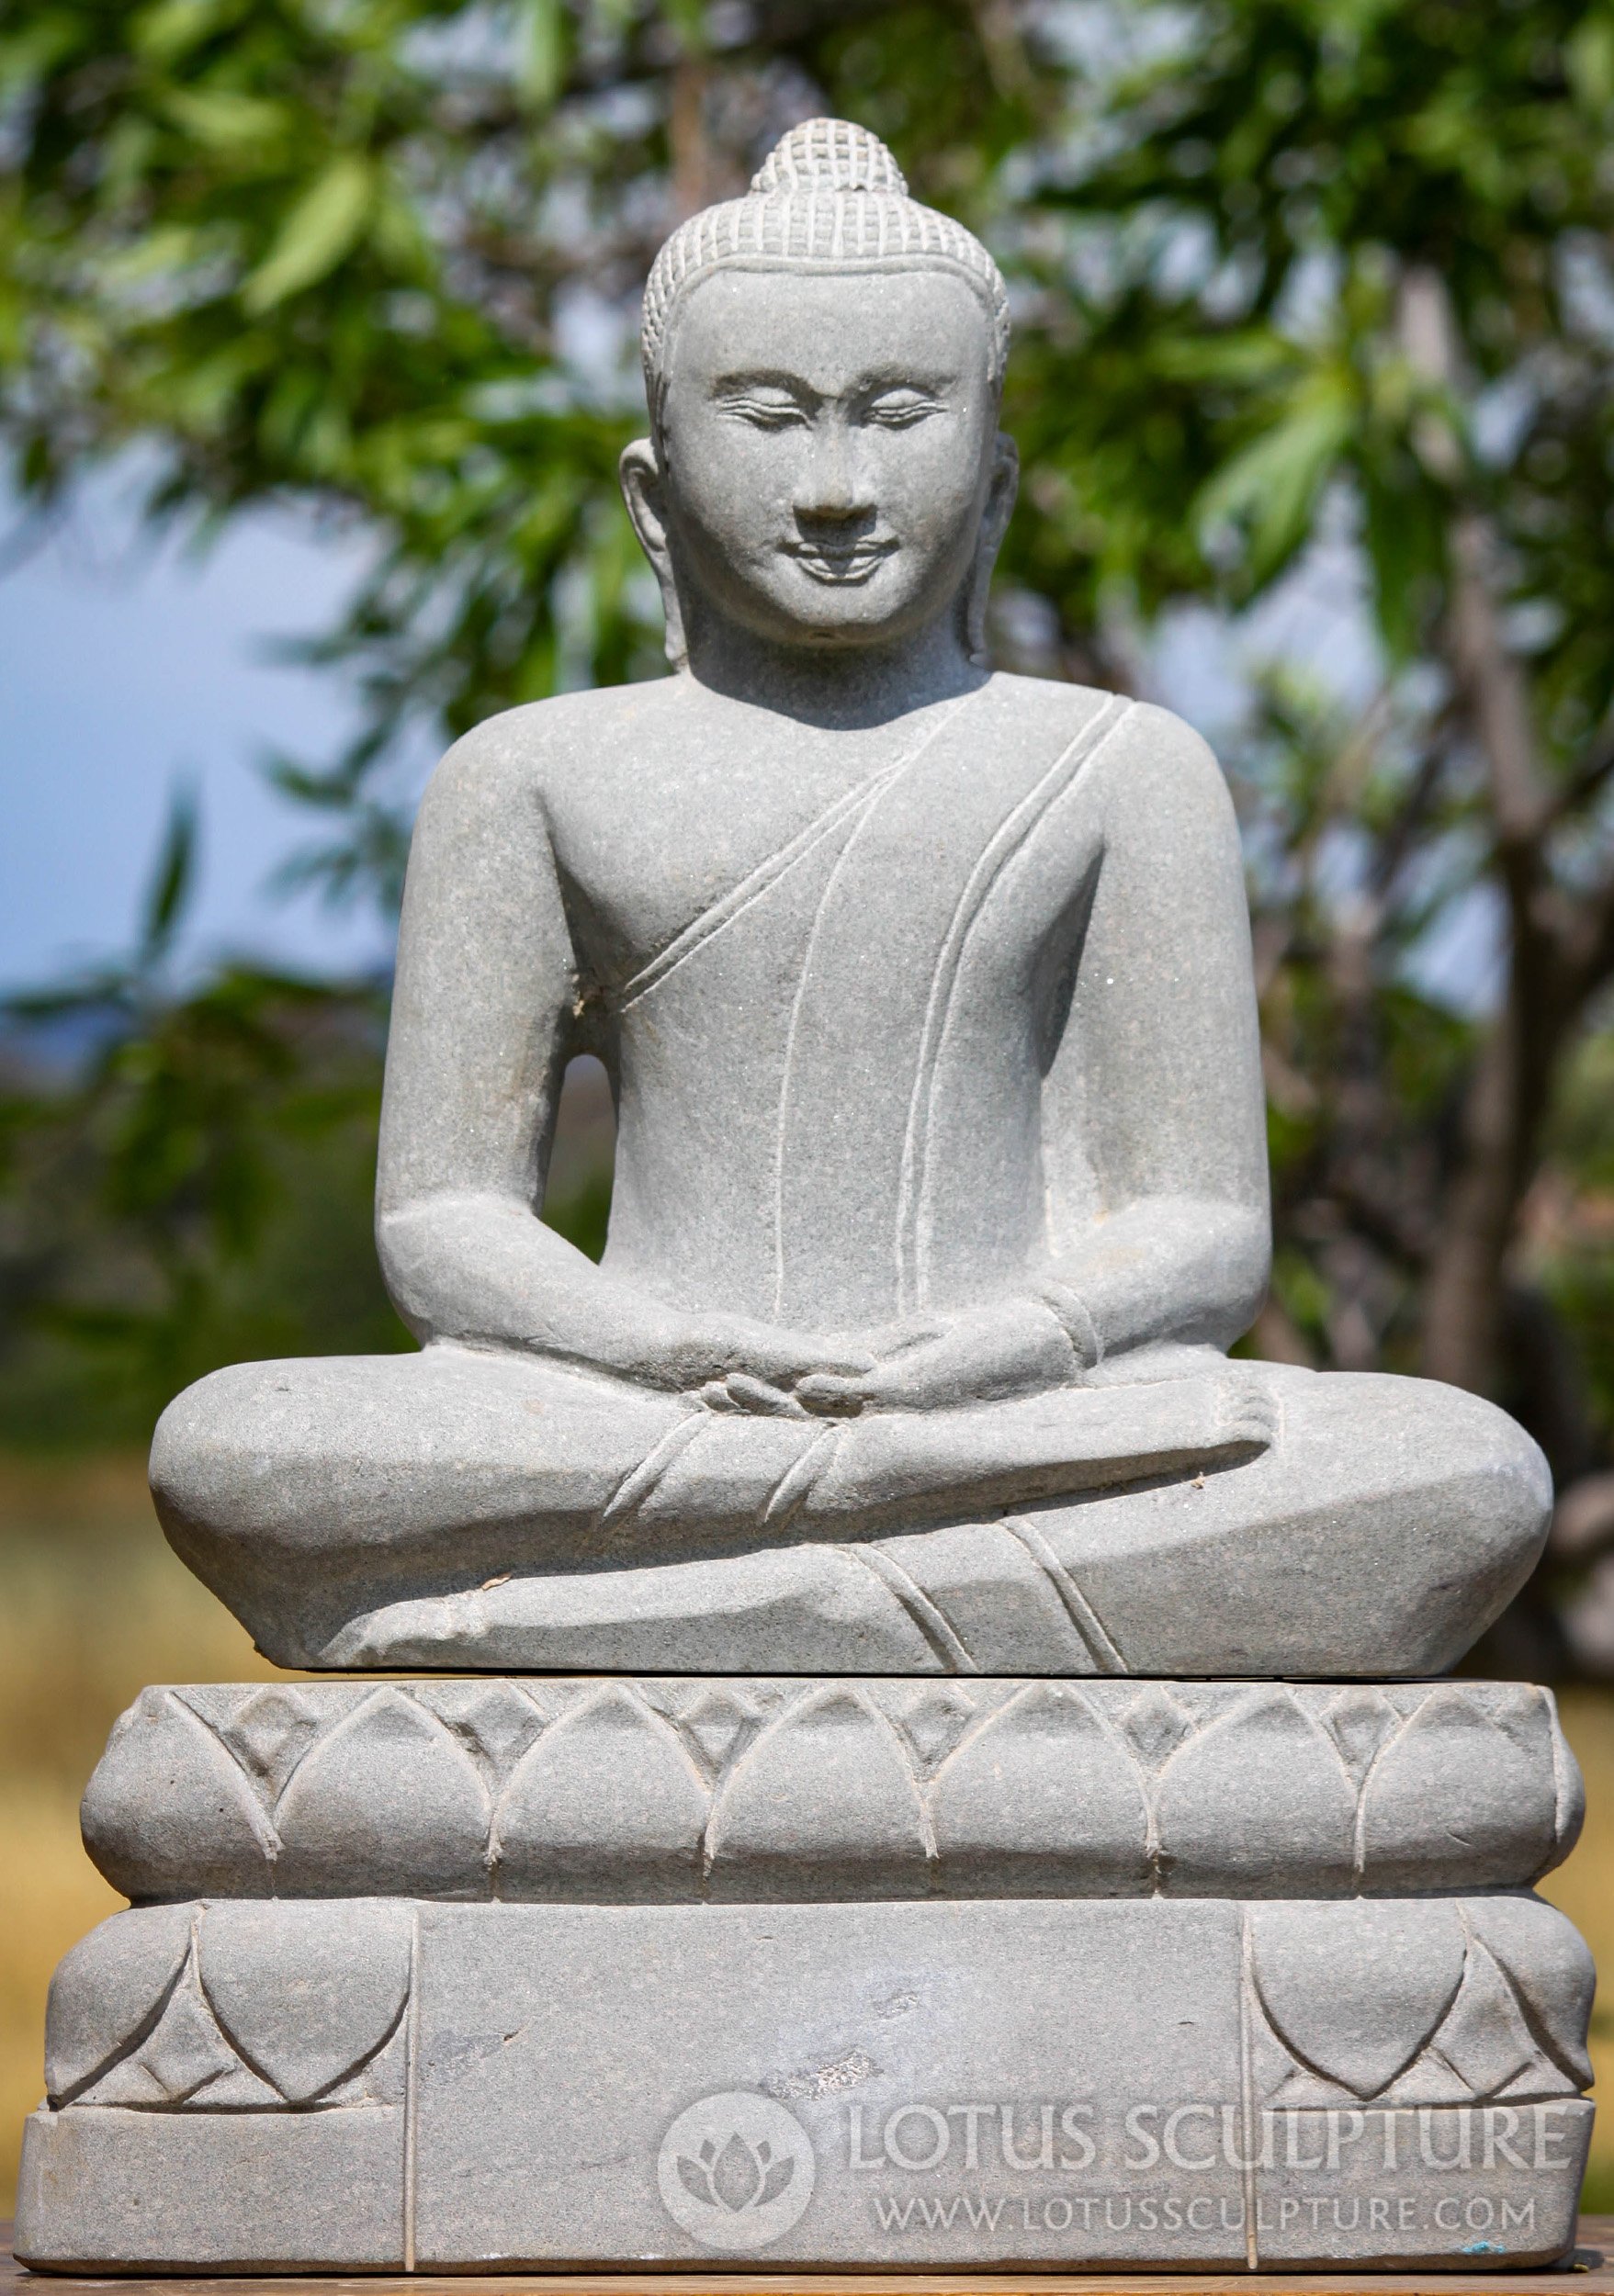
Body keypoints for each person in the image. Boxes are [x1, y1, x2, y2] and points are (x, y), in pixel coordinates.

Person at [151, 120, 1548, 1676]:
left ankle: (685, 1617)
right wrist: (657, 1352)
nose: (834, 488)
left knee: (1459, 1475)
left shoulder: (1116, 766)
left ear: (993, 478)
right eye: (767, 418)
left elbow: (1202, 1227)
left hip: (1014, 1417)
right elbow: (444, 1219)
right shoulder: (528, 776)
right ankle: (889, 1598)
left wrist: (994, 1359)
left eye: (896, 416)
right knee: (241, 1446)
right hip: (662, 1413)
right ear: (652, 487)